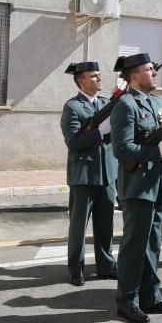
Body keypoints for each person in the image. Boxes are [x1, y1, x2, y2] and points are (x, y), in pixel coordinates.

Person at [110, 53, 162, 323]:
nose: (154, 72)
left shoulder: (157, 102)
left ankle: (150, 295)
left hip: (156, 183)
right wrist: (155, 151)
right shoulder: (125, 105)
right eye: (149, 69)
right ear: (134, 75)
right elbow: (121, 148)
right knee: (135, 245)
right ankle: (127, 301)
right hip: (137, 184)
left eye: (153, 68)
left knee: (153, 242)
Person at [60, 61, 118, 286]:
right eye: (94, 76)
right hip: (83, 175)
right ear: (81, 80)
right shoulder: (72, 107)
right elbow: (73, 142)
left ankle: (105, 265)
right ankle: (76, 268)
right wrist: (99, 132)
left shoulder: (106, 104)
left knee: (106, 224)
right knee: (79, 225)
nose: (99, 79)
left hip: (107, 173)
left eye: (99, 75)